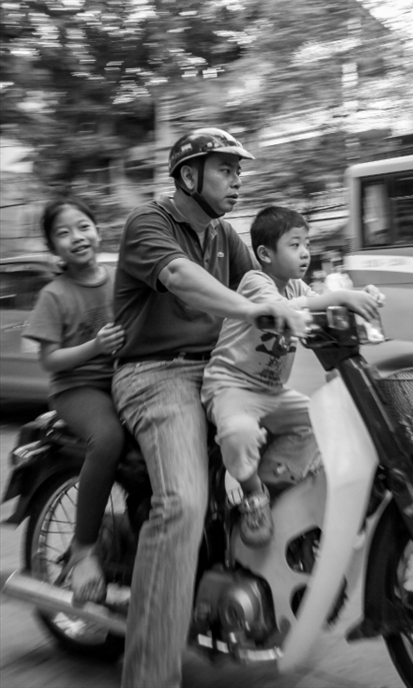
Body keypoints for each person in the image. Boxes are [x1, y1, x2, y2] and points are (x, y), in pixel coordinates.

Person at [111, 128, 307, 688]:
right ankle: (148, 677)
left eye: (239, 171)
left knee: (309, 434)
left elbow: (269, 282)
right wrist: (252, 313)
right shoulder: (149, 223)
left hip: (217, 371)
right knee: (183, 503)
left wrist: (325, 302)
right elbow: (181, 279)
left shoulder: (227, 234)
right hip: (155, 375)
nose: (237, 180)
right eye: (225, 169)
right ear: (189, 176)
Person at [201, 206, 382, 547]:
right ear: (265, 254)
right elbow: (282, 310)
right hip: (232, 386)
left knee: (322, 421)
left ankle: (274, 481)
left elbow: (320, 308)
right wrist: (341, 295)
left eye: (306, 243)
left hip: (272, 391)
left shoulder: (297, 287)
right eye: (294, 244)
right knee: (238, 432)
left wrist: (361, 298)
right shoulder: (256, 281)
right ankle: (253, 495)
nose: (305, 252)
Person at [22, 197, 126, 604]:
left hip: (123, 381)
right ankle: (83, 549)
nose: (76, 237)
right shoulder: (55, 294)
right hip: (76, 389)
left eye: (82, 226)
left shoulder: (120, 278)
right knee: (108, 438)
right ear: (54, 249)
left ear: (97, 229)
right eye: (63, 233)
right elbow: (49, 360)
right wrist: (95, 347)